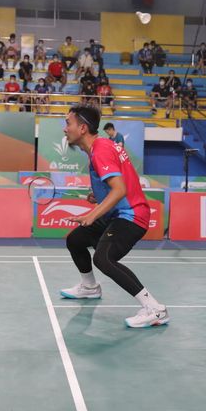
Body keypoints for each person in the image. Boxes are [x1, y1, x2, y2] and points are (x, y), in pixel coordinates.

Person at [59, 105, 169, 328]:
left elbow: (120, 190)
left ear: (82, 128)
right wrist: (98, 195)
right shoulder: (102, 147)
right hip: (118, 213)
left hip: (131, 216)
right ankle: (89, 287)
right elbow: (117, 184)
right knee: (76, 240)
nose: (65, 129)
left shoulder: (100, 150)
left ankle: (155, 309)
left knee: (104, 258)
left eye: (68, 123)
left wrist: (92, 215)